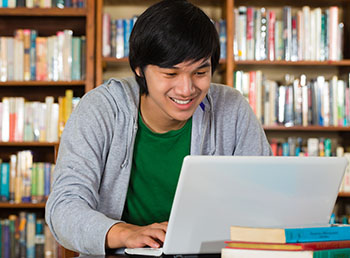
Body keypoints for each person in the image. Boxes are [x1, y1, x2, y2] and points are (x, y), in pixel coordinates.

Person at [45, 0, 272, 255]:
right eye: (170, 74)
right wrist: (125, 233)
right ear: (139, 69)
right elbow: (63, 208)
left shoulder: (232, 108)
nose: (187, 90)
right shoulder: (101, 109)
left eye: (200, 72)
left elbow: (265, 199)